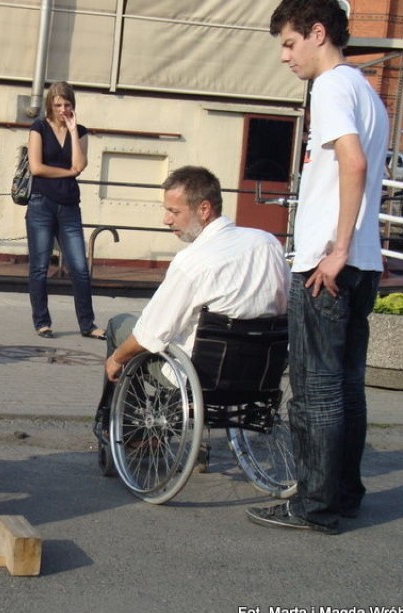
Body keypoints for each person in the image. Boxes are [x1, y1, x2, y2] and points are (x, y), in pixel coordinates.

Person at [246, 0, 388, 535]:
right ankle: (343, 495)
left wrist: (336, 249)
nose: (284, 57)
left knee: (316, 389)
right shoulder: (366, 91)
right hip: (363, 262)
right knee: (348, 385)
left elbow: (352, 162)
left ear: (318, 33)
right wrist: (353, 250)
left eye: (288, 42)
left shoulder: (329, 86)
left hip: (329, 264)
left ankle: (316, 505)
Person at [94, 166, 290, 434]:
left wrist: (116, 359)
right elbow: (285, 305)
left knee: (121, 328)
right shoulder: (267, 244)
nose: (166, 220)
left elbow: (149, 334)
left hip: (199, 376)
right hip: (260, 372)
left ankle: (130, 432)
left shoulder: (192, 262)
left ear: (204, 209)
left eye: (174, 212)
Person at [26, 81, 105, 340]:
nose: (62, 109)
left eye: (67, 105)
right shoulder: (38, 128)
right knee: (39, 267)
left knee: (80, 267)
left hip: (69, 205)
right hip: (41, 203)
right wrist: (66, 172)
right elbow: (37, 168)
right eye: (58, 104)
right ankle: (42, 322)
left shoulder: (80, 131)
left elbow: (79, 165)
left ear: (73, 106)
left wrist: (72, 131)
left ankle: (88, 324)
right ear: (50, 104)